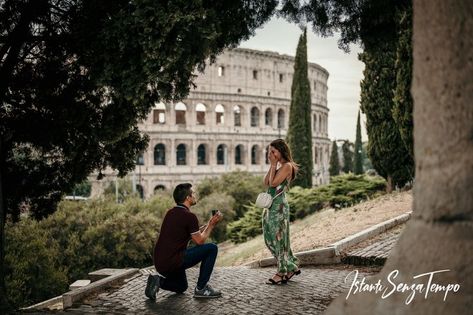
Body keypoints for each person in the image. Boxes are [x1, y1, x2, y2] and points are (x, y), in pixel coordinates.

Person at [145, 183, 224, 299]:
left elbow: (183, 233)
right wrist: (211, 225)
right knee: (212, 248)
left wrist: (205, 226)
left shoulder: (170, 213)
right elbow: (200, 241)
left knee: (181, 286)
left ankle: (158, 281)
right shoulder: (189, 216)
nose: (195, 195)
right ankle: (201, 289)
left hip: (160, 261)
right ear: (188, 197)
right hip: (173, 260)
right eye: (193, 193)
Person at [262, 139, 301, 285]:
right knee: (269, 237)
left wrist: (273, 165)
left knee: (279, 238)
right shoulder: (278, 167)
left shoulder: (287, 166)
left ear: (281, 151)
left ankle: (282, 271)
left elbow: (273, 184)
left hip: (279, 207)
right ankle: (290, 265)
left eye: (273, 151)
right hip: (271, 207)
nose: (270, 154)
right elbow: (266, 182)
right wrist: (272, 166)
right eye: (269, 151)